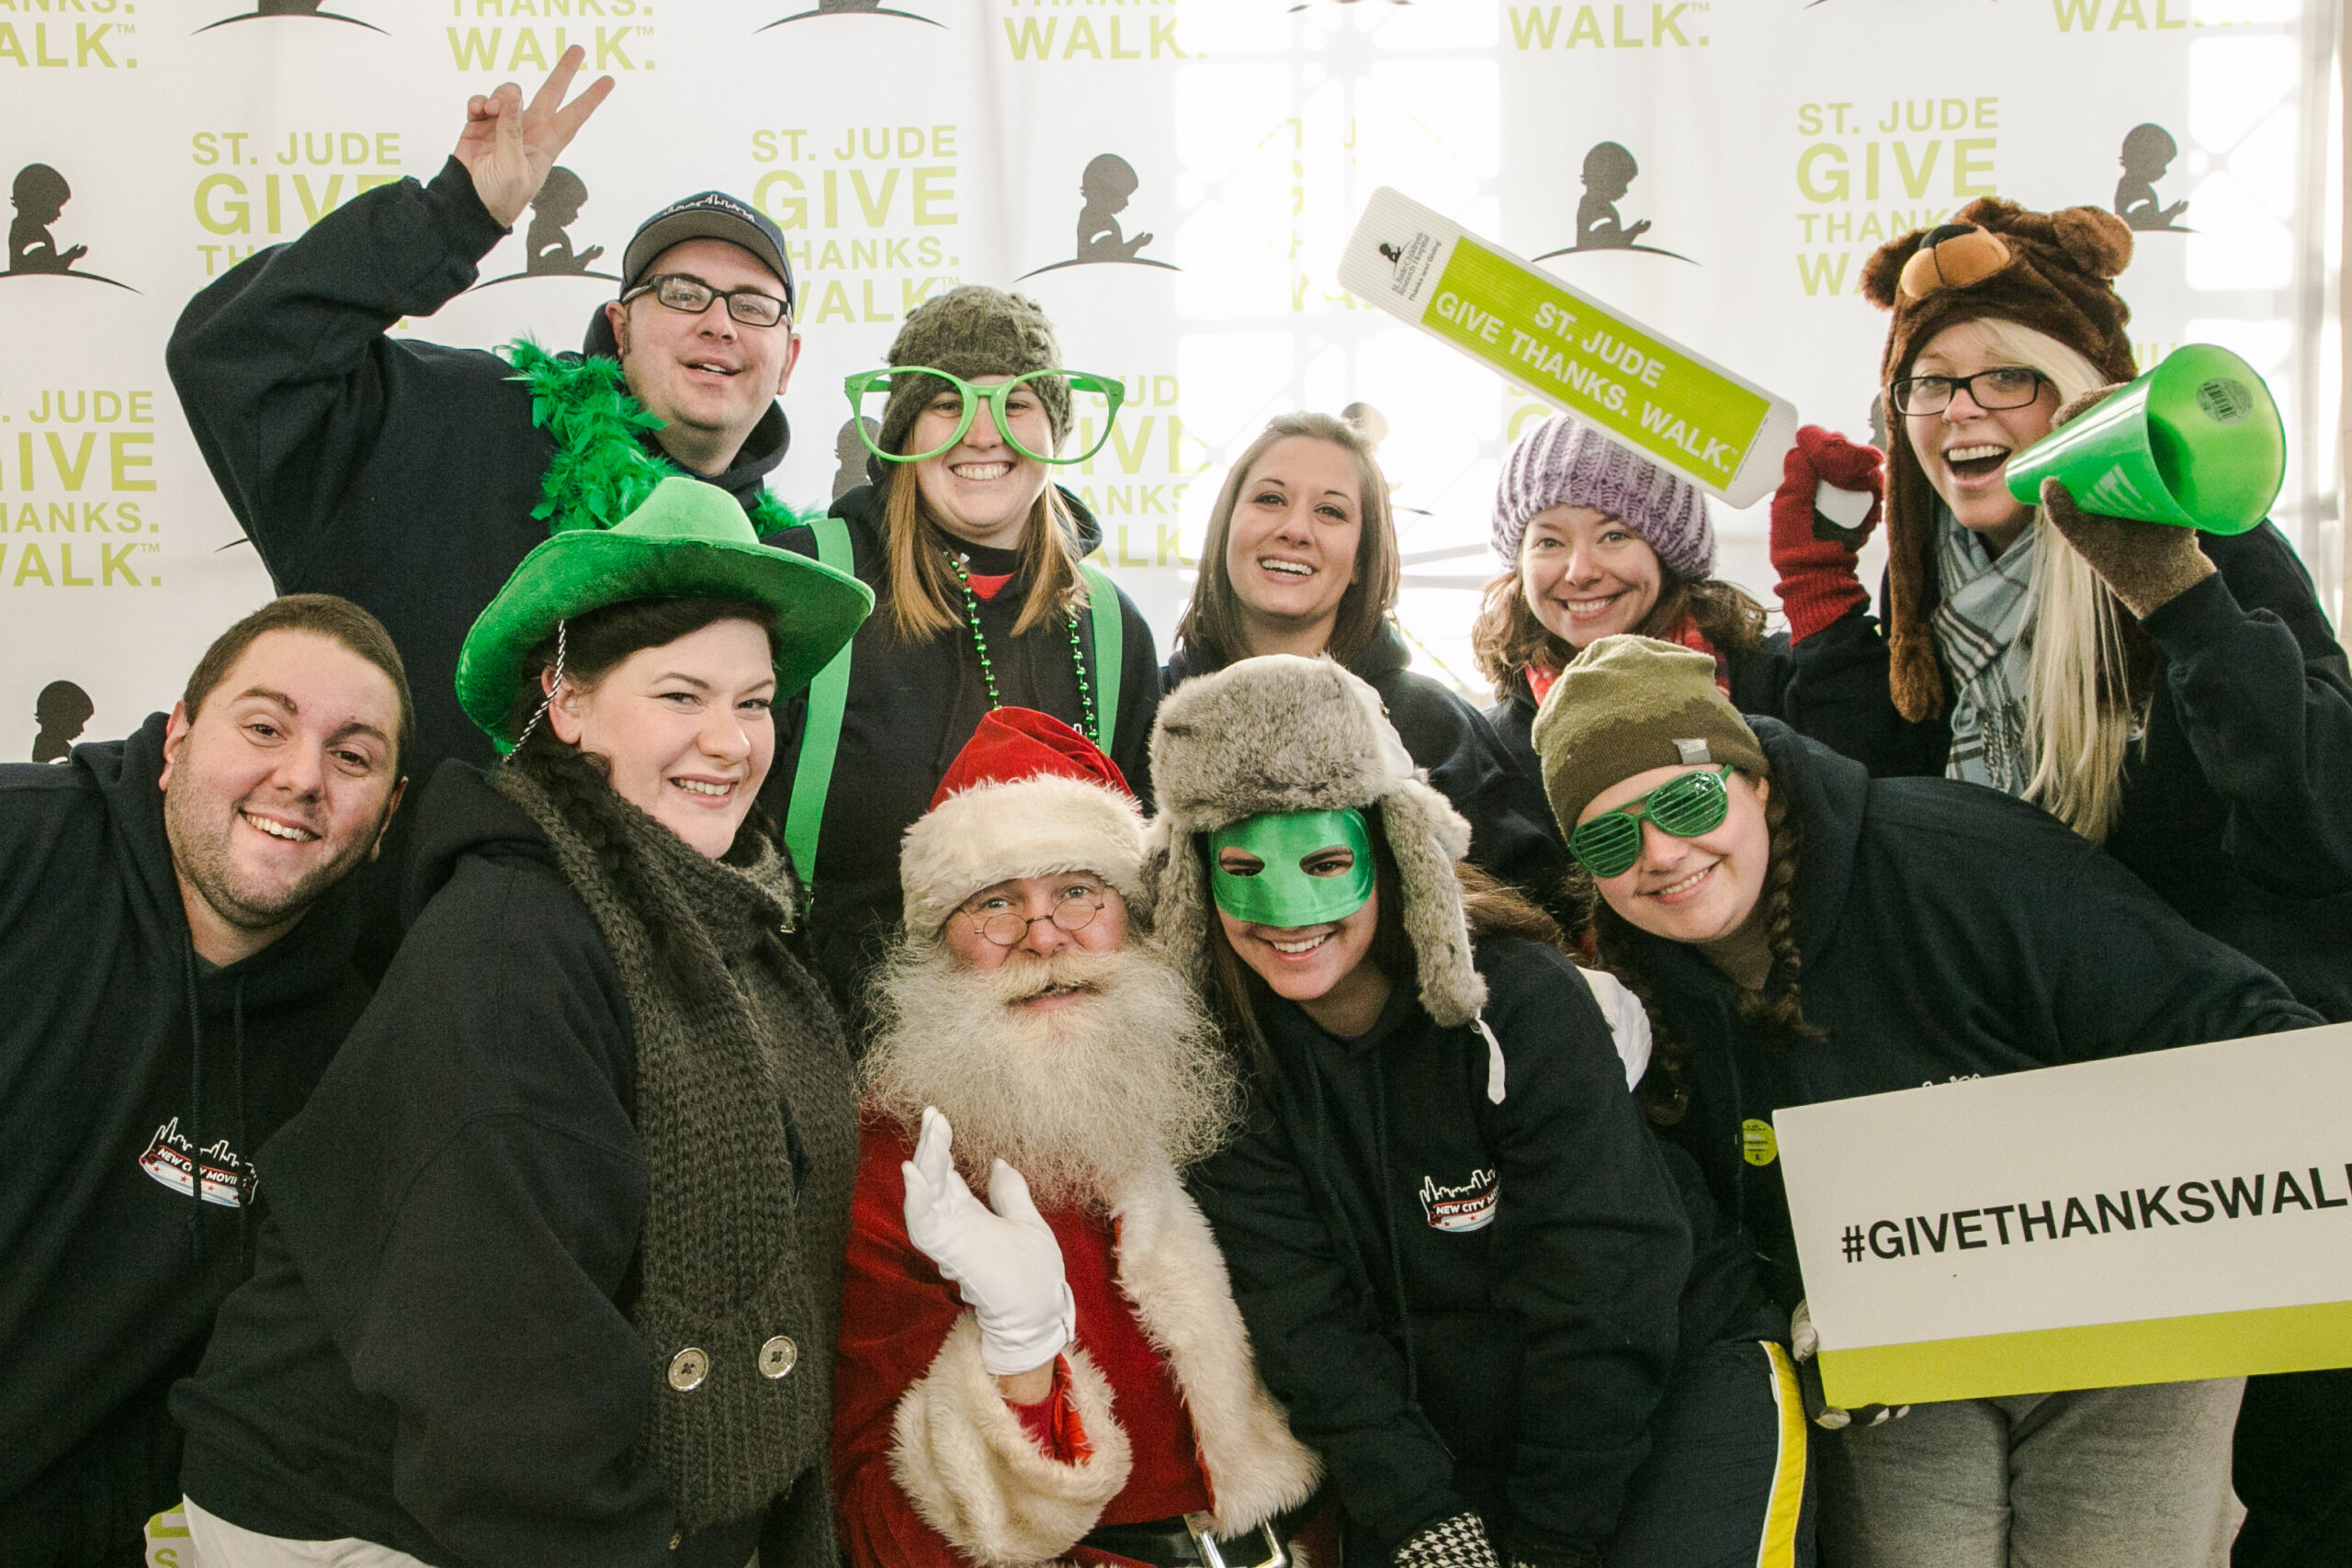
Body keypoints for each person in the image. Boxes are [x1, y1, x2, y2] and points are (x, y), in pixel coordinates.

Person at [1768, 202, 2352, 1559]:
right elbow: (1867, 833)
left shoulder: (2223, 543)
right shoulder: (1929, 586)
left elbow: (2319, 816)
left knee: (2285, 1489)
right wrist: (1822, 601)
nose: (1963, 411)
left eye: (2007, 377)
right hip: (2004, 1141)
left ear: (2084, 395)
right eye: (1931, 383)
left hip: (2217, 1115)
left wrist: (2181, 598)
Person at [172, 479, 873, 1565]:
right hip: (355, 1515)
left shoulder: (732, 918)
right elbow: (505, 1386)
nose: (730, 743)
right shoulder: (517, 941)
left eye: (753, 701)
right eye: (681, 696)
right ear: (569, 701)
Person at [1532, 634, 2324, 1568]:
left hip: (2121, 1332)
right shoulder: (1631, 999)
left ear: (1756, 784)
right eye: (1611, 838)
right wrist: (1789, 1288)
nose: (1661, 854)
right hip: (1901, 1349)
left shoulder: (1954, 859)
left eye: (1687, 801)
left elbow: (2236, 1024)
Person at [1154, 655, 1815, 1568]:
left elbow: (1602, 1284)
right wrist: (1421, 1513)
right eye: (1242, 867)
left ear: (1391, 850)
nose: (1287, 908)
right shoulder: (1217, 1068)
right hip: (1447, 1446)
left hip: (1673, 1379)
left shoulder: (1520, 1004)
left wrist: (1551, 1543)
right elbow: (1303, 1317)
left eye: (1325, 859)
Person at [168, 48, 807, 975]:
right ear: (620, 326)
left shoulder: (786, 565)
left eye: (752, 305)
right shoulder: (457, 422)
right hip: (368, 991)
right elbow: (238, 354)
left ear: (789, 356)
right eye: (680, 293)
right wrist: (452, 216)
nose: (717, 322)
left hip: (631, 1024)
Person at [832, 706, 1323, 1568]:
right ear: (937, 946)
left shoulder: (1216, 1070)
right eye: (995, 905)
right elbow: (878, 1534)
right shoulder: (898, 1160)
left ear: (1130, 913)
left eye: (1077, 892)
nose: (1044, 934)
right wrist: (1020, 1357)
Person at [0, 594, 410, 1567]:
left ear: (389, 816)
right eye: (264, 726)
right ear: (178, 736)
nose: (301, 777)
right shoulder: (18, 848)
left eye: (352, 757)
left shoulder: (362, 1059)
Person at [764, 286, 1161, 1009]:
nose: (983, 435)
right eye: (948, 404)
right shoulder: (805, 579)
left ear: (1054, 430)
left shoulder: (1112, 626)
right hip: (815, 1052)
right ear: (906, 429)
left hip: (1040, 1068)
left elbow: (1142, 889)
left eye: (1014, 404)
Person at [1164, 412, 1571, 920]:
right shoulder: (1153, 710)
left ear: (1361, 557)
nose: (1295, 529)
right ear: (1225, 527)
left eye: (1331, 512)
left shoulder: (1434, 722)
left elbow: (1535, 919)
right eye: (1270, 499)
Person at [1473, 413, 1785, 787]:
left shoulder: (1776, 686)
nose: (1579, 572)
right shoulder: (1492, 754)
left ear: (1669, 555)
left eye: (1614, 535)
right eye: (1549, 542)